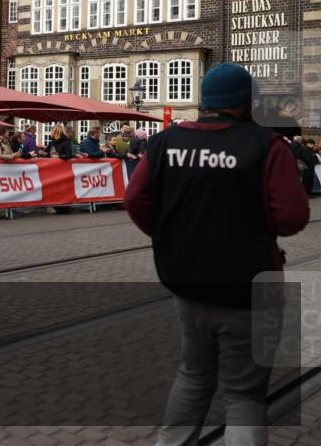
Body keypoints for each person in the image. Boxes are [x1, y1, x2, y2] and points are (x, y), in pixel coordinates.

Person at [125, 62, 309, 445]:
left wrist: (168, 234)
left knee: (193, 375)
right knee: (244, 393)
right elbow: (292, 217)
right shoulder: (266, 145)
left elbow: (135, 199)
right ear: (247, 102)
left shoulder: (164, 142)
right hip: (249, 286)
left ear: (205, 100)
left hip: (188, 282)